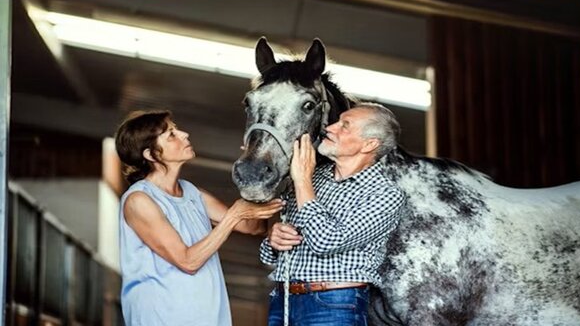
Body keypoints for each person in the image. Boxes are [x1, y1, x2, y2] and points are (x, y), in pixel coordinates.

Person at [117, 110, 283, 326]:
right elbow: (188, 261)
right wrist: (233, 215)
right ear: (151, 155)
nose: (184, 134)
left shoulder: (192, 193)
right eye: (171, 135)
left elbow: (253, 227)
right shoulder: (139, 200)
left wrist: (257, 167)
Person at [261, 103, 407, 326]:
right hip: (284, 299)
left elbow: (326, 241)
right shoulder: (314, 178)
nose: (330, 128)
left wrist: (302, 181)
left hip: (334, 302)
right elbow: (268, 256)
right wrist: (273, 239)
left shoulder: (385, 194)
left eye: (344, 126)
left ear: (369, 144)